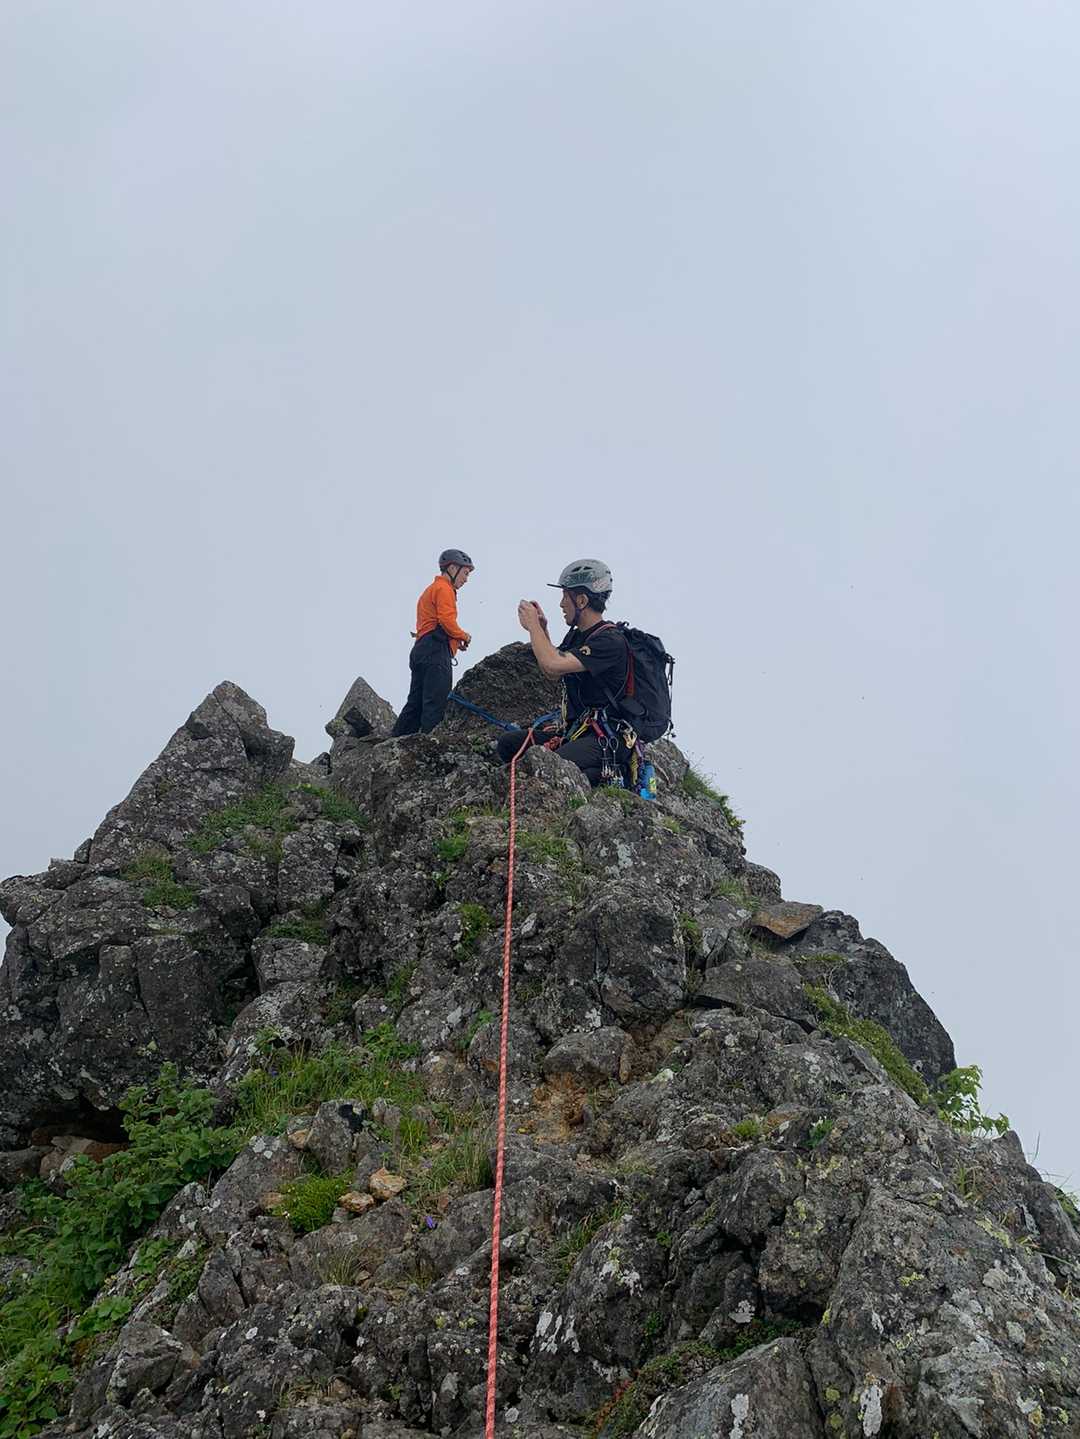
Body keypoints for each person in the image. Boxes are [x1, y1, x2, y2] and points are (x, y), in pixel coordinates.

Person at [496, 558, 633, 786]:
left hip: (606, 736)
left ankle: (611, 773)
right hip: (579, 731)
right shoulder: (578, 636)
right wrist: (542, 630)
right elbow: (554, 672)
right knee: (508, 744)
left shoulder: (610, 641)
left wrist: (533, 627)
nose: (561, 604)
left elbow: (553, 664)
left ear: (582, 600)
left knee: (550, 766)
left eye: (565, 596)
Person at [391, 549, 474, 737]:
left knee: (416, 703)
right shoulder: (445, 588)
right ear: (452, 568)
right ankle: (430, 745)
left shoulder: (431, 589)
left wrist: (454, 640)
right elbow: (446, 620)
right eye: (465, 573)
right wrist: (463, 635)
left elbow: (433, 623)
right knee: (436, 702)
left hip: (422, 648)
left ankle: (393, 742)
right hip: (435, 651)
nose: (466, 579)